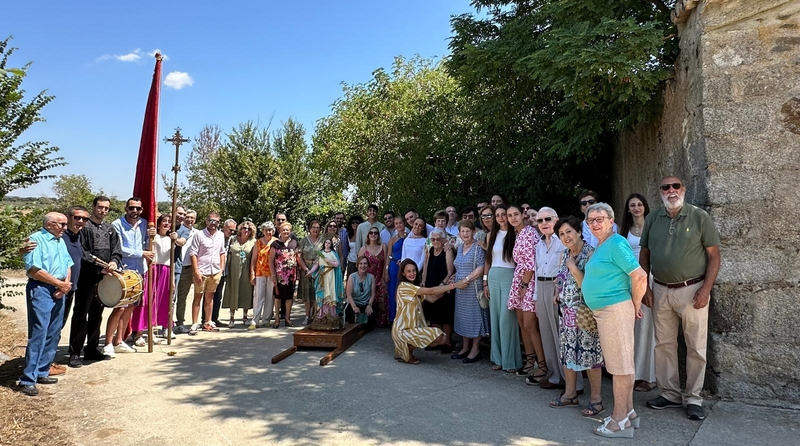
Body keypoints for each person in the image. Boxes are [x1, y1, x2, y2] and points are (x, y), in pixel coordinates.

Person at [641, 177, 720, 421]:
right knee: (663, 345)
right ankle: (670, 393)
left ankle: (694, 398)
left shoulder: (699, 217)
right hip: (661, 289)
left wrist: (706, 289)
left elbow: (714, 255)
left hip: (692, 289)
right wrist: (645, 287)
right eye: (666, 187)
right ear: (660, 192)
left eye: (676, 186)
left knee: (696, 346)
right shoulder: (653, 218)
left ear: (683, 189)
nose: (671, 191)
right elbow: (644, 253)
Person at [582, 202, 648, 438]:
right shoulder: (603, 245)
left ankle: (619, 421)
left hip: (614, 309)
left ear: (611, 221)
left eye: (601, 219)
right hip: (608, 311)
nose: (596, 223)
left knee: (620, 367)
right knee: (622, 364)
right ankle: (628, 412)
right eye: (591, 220)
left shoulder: (616, 243)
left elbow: (639, 276)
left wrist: (636, 304)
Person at [549, 216, 604, 417]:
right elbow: (562, 278)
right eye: (561, 234)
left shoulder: (591, 254)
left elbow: (590, 285)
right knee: (568, 353)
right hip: (567, 313)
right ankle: (570, 394)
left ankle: (596, 400)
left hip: (586, 312)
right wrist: (558, 291)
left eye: (569, 231)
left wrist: (573, 267)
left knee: (590, 355)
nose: (566, 237)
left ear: (579, 231)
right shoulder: (566, 254)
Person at [18, 212, 73, 396]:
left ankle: (42, 370)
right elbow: (34, 269)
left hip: (60, 289)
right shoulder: (35, 239)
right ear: (50, 224)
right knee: (39, 332)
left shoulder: (60, 240)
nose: (66, 228)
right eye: (62, 224)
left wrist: (64, 285)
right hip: (42, 289)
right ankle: (28, 378)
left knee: (53, 331)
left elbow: (67, 264)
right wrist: (58, 284)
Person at [69, 196, 122, 364]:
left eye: (106, 208)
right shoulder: (84, 227)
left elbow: (117, 249)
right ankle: (75, 352)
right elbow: (82, 252)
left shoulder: (110, 228)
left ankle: (91, 348)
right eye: (100, 207)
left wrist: (114, 261)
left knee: (96, 315)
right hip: (86, 277)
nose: (103, 211)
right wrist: (99, 266)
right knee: (80, 314)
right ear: (93, 207)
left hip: (103, 279)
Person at [393, 259, 467, 364]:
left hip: (411, 329)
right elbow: (431, 291)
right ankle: (404, 351)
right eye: (408, 271)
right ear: (403, 273)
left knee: (441, 338)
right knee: (437, 336)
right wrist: (455, 285)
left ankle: (404, 350)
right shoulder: (404, 287)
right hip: (402, 330)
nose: (412, 273)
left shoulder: (414, 288)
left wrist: (448, 285)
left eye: (414, 270)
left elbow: (432, 298)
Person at [105, 197, 154, 357]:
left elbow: (147, 243)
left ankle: (120, 340)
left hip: (139, 271)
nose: (135, 212)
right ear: (126, 208)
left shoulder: (145, 224)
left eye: (138, 209)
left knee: (130, 308)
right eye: (132, 208)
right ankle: (108, 343)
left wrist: (152, 237)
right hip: (122, 271)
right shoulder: (117, 225)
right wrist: (142, 253)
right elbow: (119, 248)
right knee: (119, 308)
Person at [507, 205, 549, 385]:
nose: (513, 218)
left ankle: (543, 366)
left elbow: (531, 262)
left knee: (530, 325)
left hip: (528, 281)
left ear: (522, 215)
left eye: (516, 214)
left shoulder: (529, 232)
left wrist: (524, 284)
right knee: (522, 324)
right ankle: (530, 360)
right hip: (519, 279)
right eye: (510, 215)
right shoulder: (517, 234)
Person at [619, 193, 656, 393]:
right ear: (628, 209)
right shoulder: (624, 230)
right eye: (632, 205)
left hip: (649, 278)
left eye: (639, 204)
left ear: (645, 207)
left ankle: (649, 376)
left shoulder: (653, 226)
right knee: (633, 327)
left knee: (649, 328)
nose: (636, 208)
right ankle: (633, 373)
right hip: (629, 280)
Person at [532, 207, 571, 388]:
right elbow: (536, 271)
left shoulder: (563, 241)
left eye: (547, 219)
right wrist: (536, 297)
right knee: (547, 334)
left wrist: (561, 290)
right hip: (541, 287)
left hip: (557, 289)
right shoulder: (538, 245)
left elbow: (568, 269)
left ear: (556, 220)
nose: (544, 223)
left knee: (562, 336)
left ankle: (572, 382)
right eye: (540, 221)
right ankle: (555, 376)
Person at [484, 204, 521, 373]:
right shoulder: (491, 235)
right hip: (492, 276)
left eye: (503, 214)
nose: (500, 217)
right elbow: (488, 260)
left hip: (509, 276)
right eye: (497, 215)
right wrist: (485, 281)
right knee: (495, 317)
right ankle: (497, 358)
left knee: (507, 318)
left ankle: (510, 360)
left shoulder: (516, 234)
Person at [133, 214, 177, 346]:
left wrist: (173, 279)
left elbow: (173, 257)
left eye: (169, 222)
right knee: (147, 301)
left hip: (166, 270)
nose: (166, 224)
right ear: (159, 223)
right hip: (153, 269)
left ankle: (152, 331)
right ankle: (139, 333)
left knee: (159, 302)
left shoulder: (171, 239)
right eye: (164, 221)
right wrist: (150, 234)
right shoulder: (153, 237)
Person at [451, 219, 489, 363]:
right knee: (463, 318)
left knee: (474, 318)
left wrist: (465, 279)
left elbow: (481, 268)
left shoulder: (478, 247)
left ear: (473, 232)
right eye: (462, 231)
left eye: (468, 231)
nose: (465, 233)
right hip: (460, 289)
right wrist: (454, 278)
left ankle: (475, 349)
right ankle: (465, 347)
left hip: (473, 288)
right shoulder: (460, 247)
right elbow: (458, 266)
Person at [57, 206, 89, 372]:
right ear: (69, 217)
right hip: (62, 286)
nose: (81, 222)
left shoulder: (82, 236)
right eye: (77, 218)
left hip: (80, 282)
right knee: (57, 323)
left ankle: (75, 353)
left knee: (80, 318)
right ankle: (45, 361)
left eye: (84, 219)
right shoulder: (60, 237)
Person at [187, 212, 227, 335]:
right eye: (211, 220)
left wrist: (221, 269)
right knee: (198, 297)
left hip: (214, 271)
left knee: (210, 297)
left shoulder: (220, 235)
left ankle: (207, 321)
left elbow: (222, 252)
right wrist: (196, 271)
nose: (213, 223)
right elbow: (193, 253)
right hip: (202, 271)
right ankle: (194, 323)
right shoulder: (199, 235)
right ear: (206, 221)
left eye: (216, 221)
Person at [421, 228, 455, 353]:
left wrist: (443, 285)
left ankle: (447, 342)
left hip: (443, 287)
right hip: (430, 287)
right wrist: (423, 283)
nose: (435, 241)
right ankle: (437, 340)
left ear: (443, 240)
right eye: (433, 239)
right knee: (433, 315)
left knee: (445, 315)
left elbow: (451, 271)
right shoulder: (429, 251)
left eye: (438, 239)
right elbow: (425, 269)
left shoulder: (447, 251)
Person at [222, 220, 256, 328]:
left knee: (246, 292)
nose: (246, 230)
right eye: (244, 228)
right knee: (233, 292)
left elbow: (254, 258)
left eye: (249, 229)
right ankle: (231, 318)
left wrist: (252, 273)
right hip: (233, 269)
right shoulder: (233, 239)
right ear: (240, 229)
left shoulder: (254, 242)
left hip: (246, 269)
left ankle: (245, 317)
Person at [270, 222, 300, 328]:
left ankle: (287, 318)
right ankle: (277, 319)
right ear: (279, 231)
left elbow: (298, 257)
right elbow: (271, 260)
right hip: (279, 276)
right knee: (278, 297)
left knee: (289, 297)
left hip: (291, 275)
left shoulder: (295, 243)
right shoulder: (275, 244)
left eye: (287, 230)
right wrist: (273, 275)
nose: (286, 232)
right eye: (283, 230)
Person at [208, 219, 237, 327]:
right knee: (209, 296)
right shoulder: (217, 236)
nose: (232, 232)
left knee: (218, 297)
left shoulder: (231, 239)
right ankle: (205, 319)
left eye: (234, 231)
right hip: (213, 270)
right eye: (230, 230)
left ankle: (214, 319)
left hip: (223, 272)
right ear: (224, 227)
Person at [173, 210, 198, 333]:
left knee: (182, 297)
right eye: (187, 217)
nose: (189, 219)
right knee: (171, 297)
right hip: (174, 266)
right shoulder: (178, 229)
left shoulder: (197, 233)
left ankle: (180, 322)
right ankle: (167, 323)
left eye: (192, 218)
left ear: (195, 220)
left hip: (188, 268)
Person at [358, 226, 388, 326]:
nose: (373, 235)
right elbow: (359, 265)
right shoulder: (364, 249)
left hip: (380, 277)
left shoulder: (383, 247)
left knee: (382, 300)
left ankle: (381, 322)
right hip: (367, 279)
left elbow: (386, 263)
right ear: (368, 235)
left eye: (376, 233)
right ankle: (368, 321)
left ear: (379, 235)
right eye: (371, 233)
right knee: (368, 299)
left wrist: (384, 275)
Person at [309, 235, 344, 320]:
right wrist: (311, 271)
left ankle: (331, 314)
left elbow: (337, 264)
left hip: (330, 275)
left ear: (331, 244)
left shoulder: (332, 253)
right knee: (322, 292)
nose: (327, 244)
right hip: (321, 275)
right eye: (326, 242)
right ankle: (321, 314)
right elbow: (316, 264)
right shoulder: (320, 253)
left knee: (330, 292)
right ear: (324, 243)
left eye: (329, 243)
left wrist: (329, 261)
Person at [250, 221, 276, 329]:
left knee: (270, 296)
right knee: (258, 296)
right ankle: (255, 320)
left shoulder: (276, 242)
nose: (268, 232)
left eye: (270, 230)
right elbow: (254, 259)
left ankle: (266, 319)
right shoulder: (258, 242)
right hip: (260, 272)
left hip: (272, 273)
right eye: (266, 230)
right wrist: (252, 273)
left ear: (273, 231)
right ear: (263, 231)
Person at [297, 219, 324, 325]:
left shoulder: (322, 240)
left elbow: (324, 254)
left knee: (317, 293)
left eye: (317, 227)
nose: (315, 229)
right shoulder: (304, 240)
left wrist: (318, 264)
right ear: (309, 228)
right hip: (306, 269)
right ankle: (307, 316)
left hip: (319, 269)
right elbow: (298, 256)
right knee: (307, 294)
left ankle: (316, 315)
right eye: (313, 227)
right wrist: (305, 269)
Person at [385, 216, 407, 323]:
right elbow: (388, 256)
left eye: (400, 223)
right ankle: (393, 318)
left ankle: (404, 319)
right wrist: (386, 271)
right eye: (396, 223)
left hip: (406, 267)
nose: (398, 225)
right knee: (393, 291)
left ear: (404, 223)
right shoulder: (392, 240)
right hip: (394, 267)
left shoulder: (409, 238)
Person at [345, 256, 375, 325]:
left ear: (368, 265)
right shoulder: (352, 277)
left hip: (366, 303)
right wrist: (354, 307)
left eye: (365, 263)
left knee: (372, 314)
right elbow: (348, 294)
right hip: (354, 302)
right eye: (360, 264)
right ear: (357, 265)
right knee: (350, 315)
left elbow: (372, 294)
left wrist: (369, 305)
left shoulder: (371, 277)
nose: (363, 266)